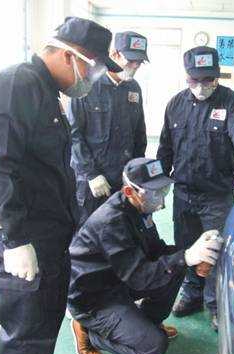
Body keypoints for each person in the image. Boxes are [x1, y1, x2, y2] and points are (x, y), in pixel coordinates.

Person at [0, 17, 121, 354]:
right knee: (25, 327)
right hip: (24, 239)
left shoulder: (46, 91)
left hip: (50, 235)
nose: (91, 77)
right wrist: (15, 239)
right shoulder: (13, 84)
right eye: (91, 66)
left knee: (47, 316)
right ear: (67, 54)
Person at [156, 46, 234, 331]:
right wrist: (157, 186)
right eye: (194, 80)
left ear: (217, 76)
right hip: (184, 193)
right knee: (187, 247)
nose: (201, 86)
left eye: (208, 80)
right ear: (186, 76)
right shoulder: (175, 104)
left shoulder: (232, 103)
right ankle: (191, 294)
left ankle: (216, 304)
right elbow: (165, 149)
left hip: (216, 196)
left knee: (216, 252)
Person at [67, 158, 223, 354]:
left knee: (177, 266)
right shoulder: (111, 222)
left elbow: (155, 251)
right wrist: (186, 256)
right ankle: (89, 333)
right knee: (154, 347)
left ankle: (147, 323)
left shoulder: (138, 209)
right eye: (154, 193)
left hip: (118, 279)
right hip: (94, 299)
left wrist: (193, 254)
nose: (161, 200)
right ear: (129, 191)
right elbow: (140, 277)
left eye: (163, 190)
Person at [66, 31, 149, 226]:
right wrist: (91, 174)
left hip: (123, 180)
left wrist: (135, 174)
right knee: (89, 230)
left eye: (139, 62)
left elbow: (139, 134)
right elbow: (73, 135)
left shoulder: (134, 89)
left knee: (121, 229)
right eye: (131, 60)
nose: (135, 66)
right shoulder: (86, 85)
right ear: (114, 55)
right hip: (93, 182)